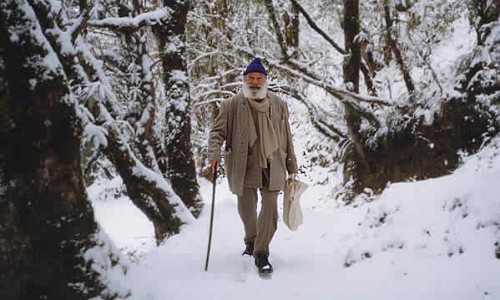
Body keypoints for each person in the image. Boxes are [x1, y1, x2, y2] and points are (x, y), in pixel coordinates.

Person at [208, 57, 298, 274]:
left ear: (265, 80)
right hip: (243, 164)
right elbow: (217, 132)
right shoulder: (231, 105)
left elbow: (286, 136)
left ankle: (261, 253)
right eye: (251, 78)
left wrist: (292, 166)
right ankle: (251, 239)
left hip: (273, 163)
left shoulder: (279, 104)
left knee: (270, 209)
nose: (255, 82)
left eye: (259, 78)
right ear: (245, 80)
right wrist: (214, 154)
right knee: (247, 208)